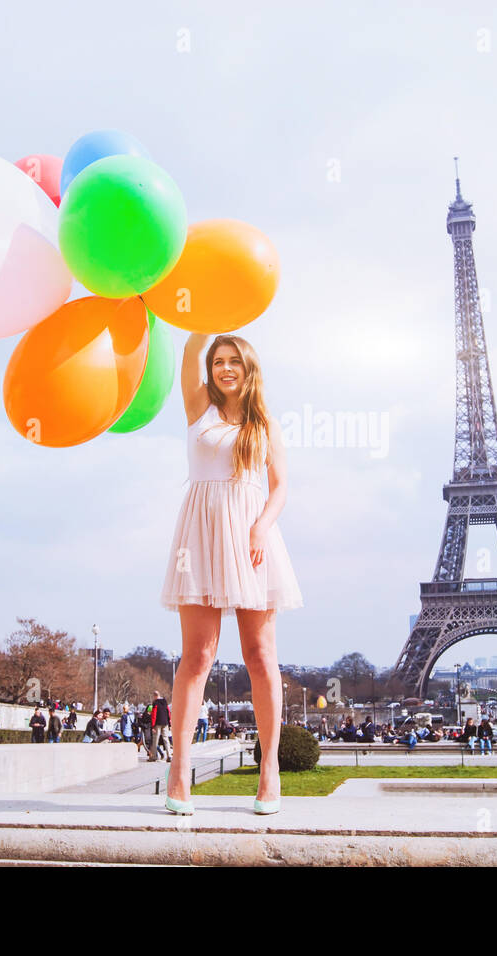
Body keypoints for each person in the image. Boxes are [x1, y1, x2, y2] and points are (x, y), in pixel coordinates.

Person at [158, 334, 304, 816]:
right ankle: (179, 769)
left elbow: (280, 487)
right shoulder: (198, 404)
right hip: (198, 533)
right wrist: (204, 304)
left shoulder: (265, 425)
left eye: (233, 361)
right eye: (218, 361)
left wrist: (262, 526)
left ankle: (270, 769)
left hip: (250, 537)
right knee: (197, 656)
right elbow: (187, 351)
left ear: (248, 367)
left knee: (260, 654)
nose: (224, 369)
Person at [149, 693, 172, 762]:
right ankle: (169, 756)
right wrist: (169, 723)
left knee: (155, 740)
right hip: (165, 723)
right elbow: (168, 713)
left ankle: (154, 756)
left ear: (155, 696)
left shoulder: (155, 703)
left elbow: (154, 714)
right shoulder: (165, 702)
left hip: (157, 723)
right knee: (166, 739)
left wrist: (152, 725)